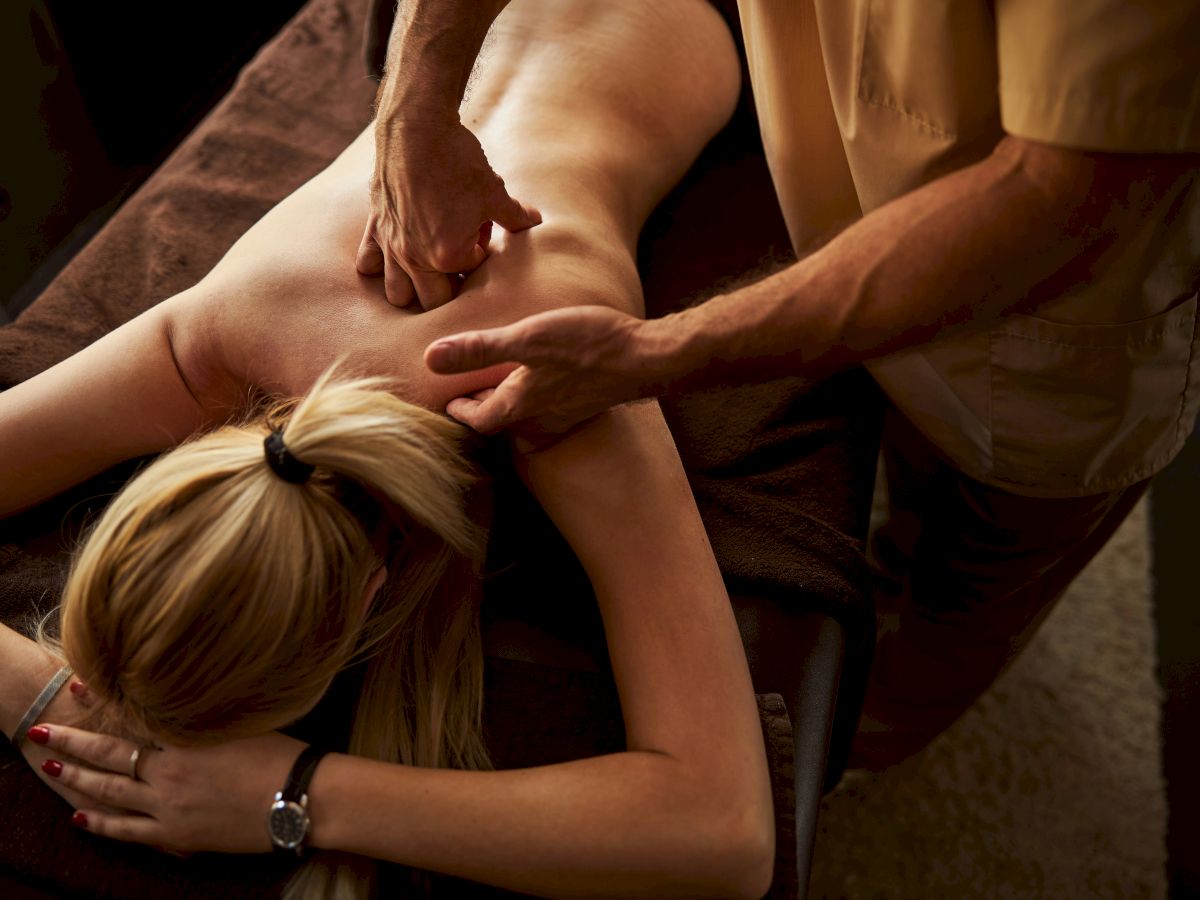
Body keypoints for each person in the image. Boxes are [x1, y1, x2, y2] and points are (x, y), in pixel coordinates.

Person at [0, 1, 775, 897]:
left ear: (370, 596)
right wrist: (38, 699)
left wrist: (295, 793)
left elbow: (726, 832)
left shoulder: (543, 386)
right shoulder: (226, 330)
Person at [386, 0, 1200, 768]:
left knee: (956, 611)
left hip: (1040, 351)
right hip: (832, 180)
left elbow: (1073, 196)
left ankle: (883, 732)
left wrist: (657, 355)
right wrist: (413, 102)